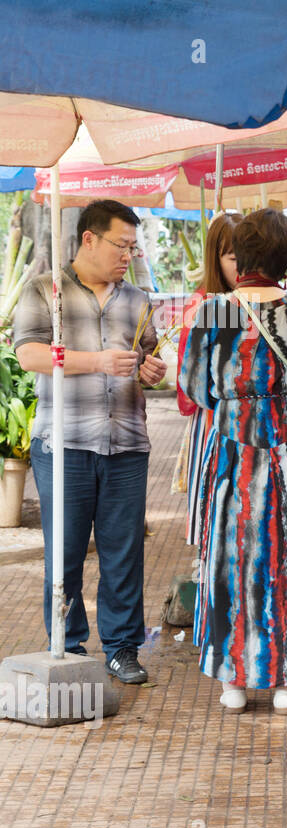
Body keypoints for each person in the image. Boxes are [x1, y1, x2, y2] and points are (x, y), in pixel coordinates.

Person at [180, 208, 287, 714]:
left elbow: (193, 386)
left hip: (231, 449)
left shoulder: (216, 312)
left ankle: (233, 682)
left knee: (230, 555)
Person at [13, 199, 166, 684]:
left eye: (132, 247)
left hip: (127, 444)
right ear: (88, 239)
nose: (128, 255)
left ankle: (122, 649)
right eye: (121, 245)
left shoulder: (137, 300)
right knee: (66, 553)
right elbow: (29, 354)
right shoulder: (45, 291)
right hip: (64, 443)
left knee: (124, 552)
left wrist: (151, 370)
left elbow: (147, 357)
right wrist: (96, 361)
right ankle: (69, 645)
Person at [175, 213, 242, 546]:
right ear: (215, 258)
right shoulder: (208, 304)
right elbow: (191, 380)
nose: (241, 267)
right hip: (214, 420)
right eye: (232, 258)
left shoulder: (247, 301)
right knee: (216, 521)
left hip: (242, 423)